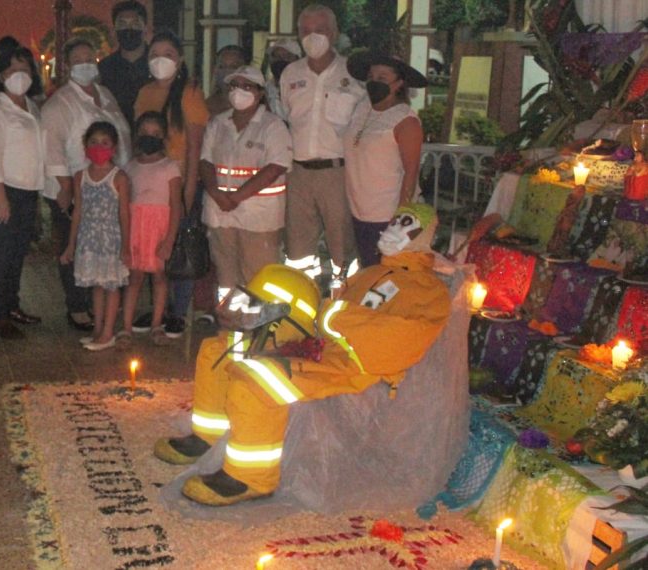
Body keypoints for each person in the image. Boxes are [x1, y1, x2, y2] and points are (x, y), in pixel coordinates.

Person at [153, 204, 449, 506]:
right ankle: (208, 437)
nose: (392, 228)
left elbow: (402, 339)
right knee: (220, 349)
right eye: (395, 220)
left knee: (256, 381)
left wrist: (336, 318)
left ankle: (250, 478)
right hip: (321, 344)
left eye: (405, 224)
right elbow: (329, 311)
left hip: (354, 366)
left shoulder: (429, 290)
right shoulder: (371, 272)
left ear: (422, 237)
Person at [41, 38, 132, 332]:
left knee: (103, 249)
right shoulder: (60, 102)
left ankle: (102, 308)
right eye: (77, 59)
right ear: (67, 65)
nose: (84, 64)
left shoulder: (105, 95)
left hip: (111, 186)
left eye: (88, 58)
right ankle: (78, 306)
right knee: (76, 245)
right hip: (77, 187)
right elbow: (52, 148)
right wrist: (66, 188)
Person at [279, 4, 366, 283]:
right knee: (298, 253)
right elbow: (285, 119)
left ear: (334, 32)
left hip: (337, 174)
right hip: (298, 175)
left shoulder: (354, 74)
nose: (312, 36)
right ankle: (301, 310)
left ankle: (342, 312)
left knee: (343, 249)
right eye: (305, 30)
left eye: (320, 30)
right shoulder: (290, 74)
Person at [133, 30, 209, 338]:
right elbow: (139, 139)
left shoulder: (189, 93)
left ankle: (178, 312)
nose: (160, 60)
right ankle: (159, 308)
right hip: (151, 182)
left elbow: (195, 145)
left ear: (180, 60)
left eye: (167, 54)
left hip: (179, 182)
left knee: (180, 247)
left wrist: (189, 188)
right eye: (154, 55)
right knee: (153, 246)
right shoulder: (145, 93)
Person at [201, 66, 292, 303]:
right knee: (226, 276)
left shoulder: (273, 126)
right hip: (220, 213)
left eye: (246, 86)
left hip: (258, 217)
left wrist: (236, 197)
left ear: (260, 93)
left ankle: (257, 332)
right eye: (234, 86)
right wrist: (217, 194)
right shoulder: (218, 123)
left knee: (257, 276)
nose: (238, 91)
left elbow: (275, 167)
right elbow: (205, 161)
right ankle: (231, 330)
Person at [0, 41, 46, 340]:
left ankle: (13, 305)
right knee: (3, 254)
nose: (20, 74)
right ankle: (0, 315)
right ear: (1, 75)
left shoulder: (29, 105)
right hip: (4, 190)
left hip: (27, 190)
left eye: (25, 69)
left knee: (18, 252)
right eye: (13, 69)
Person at [344, 51, 426, 268]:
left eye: (382, 78)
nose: (374, 82)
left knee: (385, 274)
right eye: (371, 77)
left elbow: (411, 171)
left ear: (399, 83)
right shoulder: (362, 109)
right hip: (358, 209)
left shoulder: (405, 121)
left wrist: (400, 218)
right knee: (367, 269)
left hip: (386, 213)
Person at [61, 122, 130, 351]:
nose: (98, 147)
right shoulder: (81, 176)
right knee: (96, 286)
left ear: (114, 146)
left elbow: (124, 213)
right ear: (85, 145)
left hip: (111, 239)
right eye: (93, 142)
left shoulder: (119, 177)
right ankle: (97, 329)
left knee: (111, 286)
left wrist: (126, 245)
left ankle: (108, 331)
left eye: (105, 143)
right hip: (89, 239)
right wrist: (71, 244)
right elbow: (77, 210)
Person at [121, 112, 182, 345]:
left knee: (159, 277)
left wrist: (169, 241)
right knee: (134, 278)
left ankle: (157, 325)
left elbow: (175, 206)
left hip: (159, 229)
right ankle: (126, 327)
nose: (150, 137)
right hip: (136, 227)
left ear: (164, 137)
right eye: (145, 133)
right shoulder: (129, 167)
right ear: (137, 135)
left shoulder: (170, 167)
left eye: (156, 134)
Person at [98, 0, 151, 129]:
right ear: (114, 30)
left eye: (135, 23)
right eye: (123, 24)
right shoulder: (104, 68)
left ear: (145, 28)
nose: (129, 29)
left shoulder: (157, 63)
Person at [204, 45, 249, 117]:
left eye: (234, 67)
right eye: (221, 66)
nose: (227, 72)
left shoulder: (255, 105)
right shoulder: (206, 107)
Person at [264, 38, 301, 119]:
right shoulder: (265, 89)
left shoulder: (305, 88)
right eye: (276, 56)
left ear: (298, 60)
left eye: (287, 56)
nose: (280, 60)